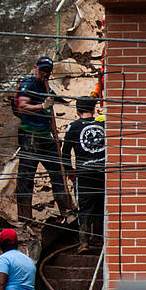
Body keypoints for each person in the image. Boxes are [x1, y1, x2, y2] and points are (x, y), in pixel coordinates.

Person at [14, 55, 75, 222]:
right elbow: (22, 106)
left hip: (46, 136)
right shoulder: (29, 84)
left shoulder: (45, 86)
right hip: (31, 137)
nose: (45, 74)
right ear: (36, 68)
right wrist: (42, 106)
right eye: (42, 70)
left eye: (48, 71)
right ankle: (24, 218)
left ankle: (67, 212)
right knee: (26, 177)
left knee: (58, 172)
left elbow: (56, 99)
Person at [62, 96, 106, 248]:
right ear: (94, 109)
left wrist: (70, 172)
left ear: (77, 111)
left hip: (84, 173)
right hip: (104, 172)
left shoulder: (73, 127)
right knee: (102, 204)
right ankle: (100, 238)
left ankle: (84, 242)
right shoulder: (104, 124)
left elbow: (65, 153)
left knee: (84, 207)